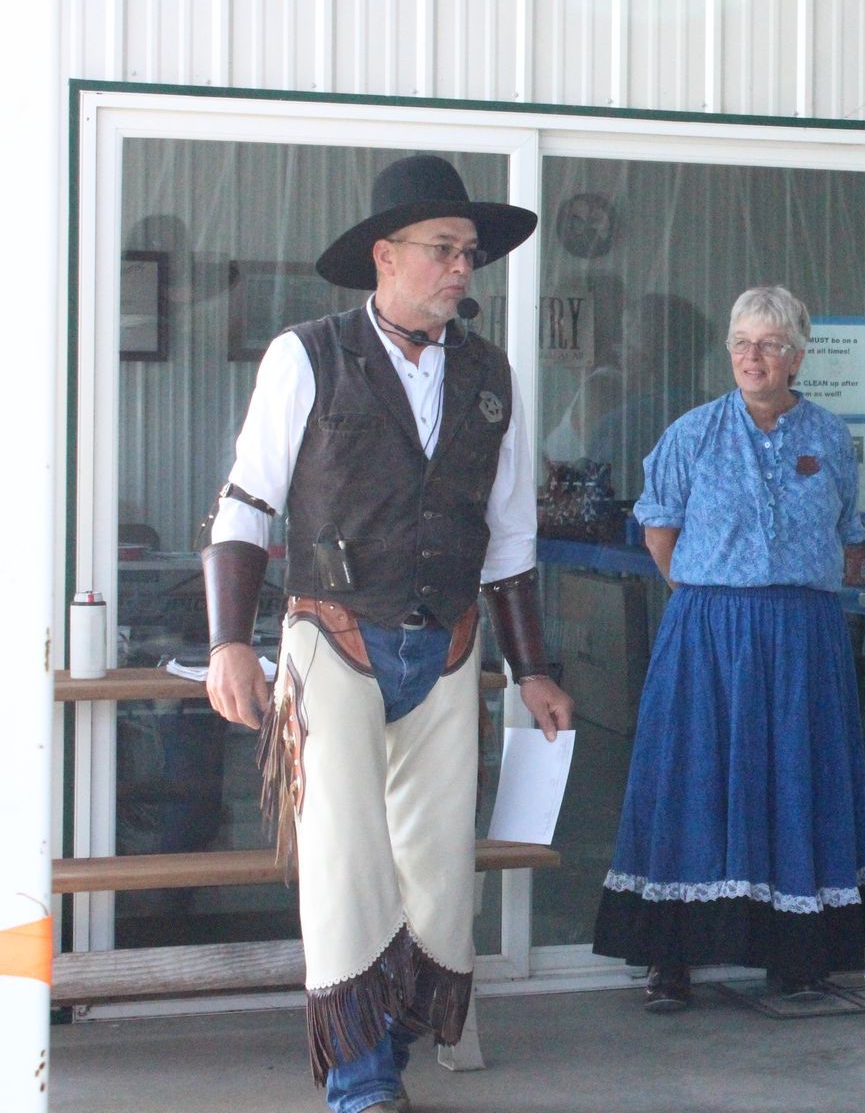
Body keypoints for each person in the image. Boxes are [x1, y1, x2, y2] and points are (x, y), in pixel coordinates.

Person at [200, 154, 575, 1113]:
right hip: (332, 641)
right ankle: (362, 1085)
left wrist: (532, 669)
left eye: (469, 253)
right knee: (345, 867)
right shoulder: (307, 355)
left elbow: (511, 535)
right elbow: (247, 503)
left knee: (440, 877)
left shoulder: (490, 373)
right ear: (385, 255)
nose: (462, 267)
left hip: (446, 648)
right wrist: (229, 641)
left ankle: (392, 1046)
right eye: (444, 249)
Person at [592, 284, 865, 1010]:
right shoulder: (691, 434)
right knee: (694, 778)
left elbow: (845, 536)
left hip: (803, 634)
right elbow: (660, 534)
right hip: (710, 631)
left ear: (798, 357)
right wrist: (714, 595)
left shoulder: (830, 439)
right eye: (742, 344)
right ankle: (671, 958)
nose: (754, 358)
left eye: (771, 345)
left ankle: (797, 955)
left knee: (796, 779)